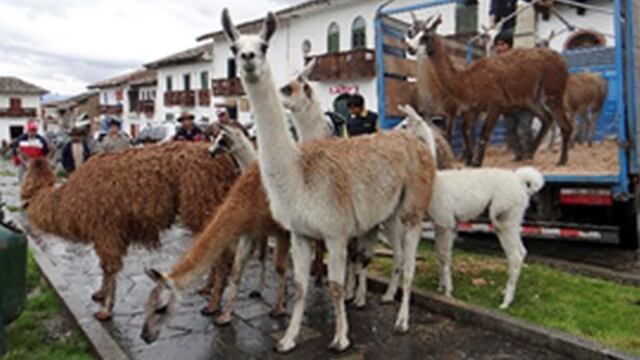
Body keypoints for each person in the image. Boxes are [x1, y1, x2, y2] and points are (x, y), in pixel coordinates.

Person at [493, 32, 534, 161]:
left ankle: (529, 154)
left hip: (524, 102)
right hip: (507, 104)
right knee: (510, 130)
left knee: (524, 128)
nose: (499, 48)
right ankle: (519, 154)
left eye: (502, 45)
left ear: (509, 46)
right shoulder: (495, 64)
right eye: (497, 45)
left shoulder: (520, 60)